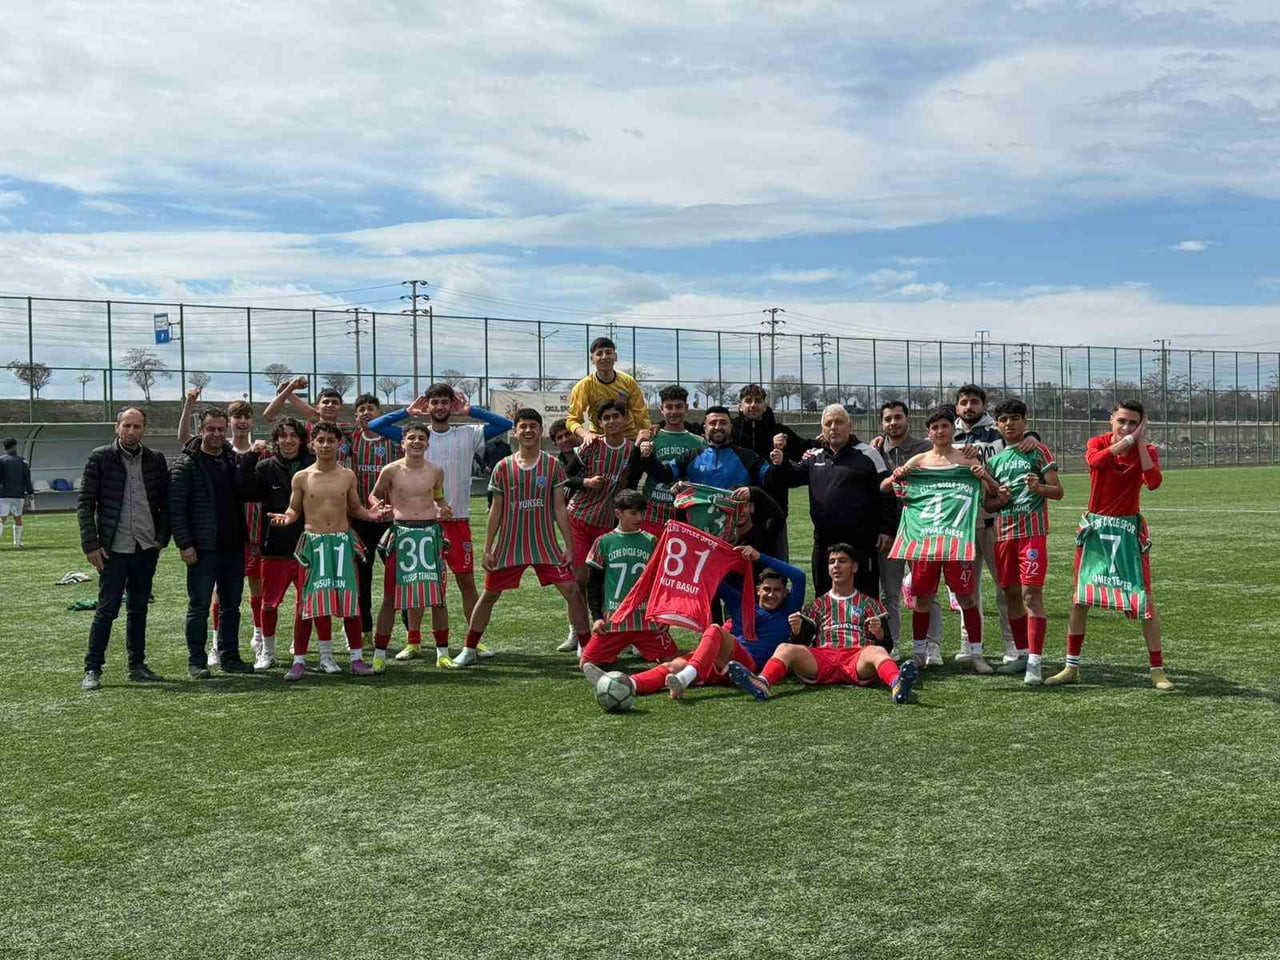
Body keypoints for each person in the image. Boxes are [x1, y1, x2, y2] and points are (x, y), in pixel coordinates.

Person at [366, 383, 513, 658]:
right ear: (428, 406)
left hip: (458, 520)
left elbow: (505, 423)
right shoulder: (415, 436)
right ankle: (413, 641)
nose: (440, 407)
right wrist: (406, 411)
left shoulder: (469, 433)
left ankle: (473, 641)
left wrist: (470, 410)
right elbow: (375, 424)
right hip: (421, 523)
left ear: (451, 405)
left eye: (445, 402)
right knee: (418, 582)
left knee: (466, 582)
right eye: (435, 402)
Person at [1047, 400, 1173, 691]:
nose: (1126, 427)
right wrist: (1127, 440)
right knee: (1080, 598)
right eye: (1122, 421)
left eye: (1133, 423)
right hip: (1097, 529)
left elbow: (1153, 482)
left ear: (1142, 425)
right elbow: (1095, 462)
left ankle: (1157, 670)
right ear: (1111, 420)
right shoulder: (1097, 442)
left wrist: (1139, 443)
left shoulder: (1147, 450)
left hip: (1128, 530)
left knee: (1144, 600)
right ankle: (1071, 666)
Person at [458, 408, 591, 667]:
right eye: (523, 426)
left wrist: (568, 545)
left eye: (533, 426)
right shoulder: (503, 467)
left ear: (540, 431)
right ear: (515, 431)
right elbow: (496, 510)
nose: (528, 430)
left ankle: (586, 646)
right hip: (510, 545)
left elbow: (559, 508)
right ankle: (469, 648)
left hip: (545, 545)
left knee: (573, 591)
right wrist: (488, 548)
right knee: (489, 595)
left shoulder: (552, 465)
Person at [584, 547, 806, 701]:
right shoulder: (741, 602)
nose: (771, 595)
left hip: (745, 667)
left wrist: (759, 557)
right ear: (758, 590)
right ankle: (624, 684)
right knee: (673, 667)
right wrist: (694, 555)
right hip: (717, 661)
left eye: (777, 590)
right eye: (767, 589)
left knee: (714, 630)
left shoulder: (788, 609)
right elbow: (709, 579)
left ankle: (686, 677)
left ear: (785, 593)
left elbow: (799, 577)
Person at [881, 406, 1001, 673]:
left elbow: (994, 492)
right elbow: (885, 487)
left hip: (957, 540)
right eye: (934, 428)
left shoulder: (967, 460)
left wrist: (985, 477)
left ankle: (976, 654)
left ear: (952, 429)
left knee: (966, 598)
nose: (939, 431)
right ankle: (920, 653)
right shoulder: (919, 461)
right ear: (929, 432)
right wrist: (897, 476)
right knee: (923, 599)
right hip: (926, 541)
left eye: (944, 426)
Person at [267, 421, 390, 680]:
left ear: (339, 444)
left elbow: (356, 509)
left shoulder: (347, 475)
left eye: (330, 440)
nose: (325, 445)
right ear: (312, 443)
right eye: (320, 440)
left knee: (349, 603)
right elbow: (294, 510)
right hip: (313, 544)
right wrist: (286, 519)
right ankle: (299, 660)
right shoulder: (301, 477)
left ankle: (356, 659)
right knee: (307, 604)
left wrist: (374, 514)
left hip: (342, 544)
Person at [726, 544, 919, 705]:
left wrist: (878, 635)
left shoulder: (870, 604)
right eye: (832, 562)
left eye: (842, 561)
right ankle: (762, 683)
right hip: (823, 657)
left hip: (856, 655)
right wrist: (796, 631)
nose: (836, 566)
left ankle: (897, 685)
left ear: (854, 567)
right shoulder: (816, 605)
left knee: (876, 652)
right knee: (785, 647)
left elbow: (887, 646)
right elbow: (802, 642)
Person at [78, 408, 170, 690]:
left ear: (144, 429)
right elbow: (85, 503)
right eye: (127, 426)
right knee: (106, 610)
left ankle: (137, 665)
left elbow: (166, 502)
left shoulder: (155, 460)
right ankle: (93, 668)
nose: (132, 431)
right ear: (117, 427)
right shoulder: (100, 457)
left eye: (138, 426)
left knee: (139, 608)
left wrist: (160, 538)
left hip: (145, 547)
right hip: (112, 550)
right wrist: (91, 544)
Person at [770, 403, 893, 602]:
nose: (833, 427)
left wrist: (887, 529)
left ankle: (868, 634)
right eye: (828, 423)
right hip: (824, 542)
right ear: (823, 429)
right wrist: (781, 462)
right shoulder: (814, 456)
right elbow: (792, 477)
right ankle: (826, 634)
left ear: (850, 426)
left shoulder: (868, 454)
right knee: (824, 597)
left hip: (861, 543)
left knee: (864, 597)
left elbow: (886, 493)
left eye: (839, 422)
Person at [179, 390, 265, 665]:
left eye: (219, 429)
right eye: (210, 429)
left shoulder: (231, 458)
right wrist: (185, 543)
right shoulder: (189, 462)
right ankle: (198, 659)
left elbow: (245, 489)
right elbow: (177, 508)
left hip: (234, 543)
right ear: (201, 431)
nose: (216, 433)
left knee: (232, 605)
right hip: (204, 546)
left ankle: (230, 656)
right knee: (200, 605)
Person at [985, 399, 1063, 683]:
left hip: (1032, 535)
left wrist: (1038, 486)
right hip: (1004, 536)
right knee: (1011, 597)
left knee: (1032, 595)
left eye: (1015, 418)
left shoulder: (1037, 450)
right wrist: (999, 500)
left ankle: (1035, 661)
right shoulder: (994, 461)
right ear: (997, 424)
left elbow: (1058, 491)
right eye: (1003, 419)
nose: (1009, 424)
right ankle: (1021, 654)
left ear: (1025, 422)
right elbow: (989, 505)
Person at [367, 418, 452, 670]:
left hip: (429, 534)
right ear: (402, 442)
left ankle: (442, 653)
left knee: (437, 597)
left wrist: (443, 508)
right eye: (411, 438)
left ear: (427, 443)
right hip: (401, 534)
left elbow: (437, 497)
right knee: (391, 596)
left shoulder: (436, 471)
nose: (416, 442)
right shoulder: (391, 470)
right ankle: (379, 656)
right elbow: (374, 494)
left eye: (421, 438)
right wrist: (378, 506)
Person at [237, 417, 314, 670]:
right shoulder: (266, 466)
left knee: (306, 604)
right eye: (283, 436)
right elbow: (246, 490)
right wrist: (250, 456)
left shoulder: (313, 465)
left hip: (308, 545)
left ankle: (300, 651)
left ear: (302, 439)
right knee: (269, 604)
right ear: (276, 440)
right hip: (275, 546)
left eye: (293, 435)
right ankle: (266, 652)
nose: (288, 440)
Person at [871, 401, 942, 665]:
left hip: (923, 530)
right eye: (888, 419)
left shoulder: (926, 449)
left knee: (926, 590)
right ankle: (893, 644)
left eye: (898, 417)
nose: (893, 423)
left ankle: (931, 646)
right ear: (882, 423)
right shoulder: (875, 451)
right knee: (890, 592)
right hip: (890, 532)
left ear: (907, 419)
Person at [579, 488, 680, 667]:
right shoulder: (603, 542)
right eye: (633, 513)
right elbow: (593, 584)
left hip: (646, 621)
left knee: (675, 663)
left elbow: (662, 582)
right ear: (618, 513)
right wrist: (597, 618)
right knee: (586, 664)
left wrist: (664, 615)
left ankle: (645, 681)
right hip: (614, 622)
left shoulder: (651, 541)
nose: (639, 518)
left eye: (641, 513)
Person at [566, 400, 635, 643]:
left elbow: (630, 485)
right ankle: (577, 629)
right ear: (600, 423)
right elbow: (564, 477)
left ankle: (615, 630)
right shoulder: (592, 445)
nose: (612, 421)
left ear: (625, 419)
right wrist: (587, 482)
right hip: (579, 518)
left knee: (609, 581)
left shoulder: (631, 449)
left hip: (608, 526)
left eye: (616, 416)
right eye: (606, 418)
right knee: (579, 578)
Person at [731, 383, 810, 557]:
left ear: (765, 405)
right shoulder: (730, 431)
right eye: (748, 400)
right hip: (737, 517)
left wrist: (824, 441)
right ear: (740, 405)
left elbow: (807, 451)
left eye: (758, 401)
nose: (753, 405)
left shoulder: (780, 433)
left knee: (775, 572)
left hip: (772, 514)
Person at [632, 385, 705, 538]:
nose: (673, 412)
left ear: (686, 408)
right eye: (669, 407)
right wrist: (636, 447)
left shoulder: (699, 442)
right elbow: (632, 471)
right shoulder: (650, 437)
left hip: (684, 511)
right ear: (661, 409)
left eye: (678, 406)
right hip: (653, 509)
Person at [566, 336, 651, 442]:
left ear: (615, 356)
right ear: (592, 359)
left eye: (608, 352)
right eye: (599, 353)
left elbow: (641, 415)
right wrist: (585, 434)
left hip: (628, 437)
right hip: (600, 439)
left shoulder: (628, 382)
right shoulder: (584, 386)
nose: (604, 357)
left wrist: (644, 436)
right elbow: (572, 420)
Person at [0, 437, 34, 549]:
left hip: (3, 494)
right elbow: (27, 479)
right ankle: (17, 543)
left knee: (2, 518)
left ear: (4, 448)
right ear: (15, 446)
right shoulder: (23, 461)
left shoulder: (1, 460)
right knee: (18, 517)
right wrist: (30, 492)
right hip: (18, 494)